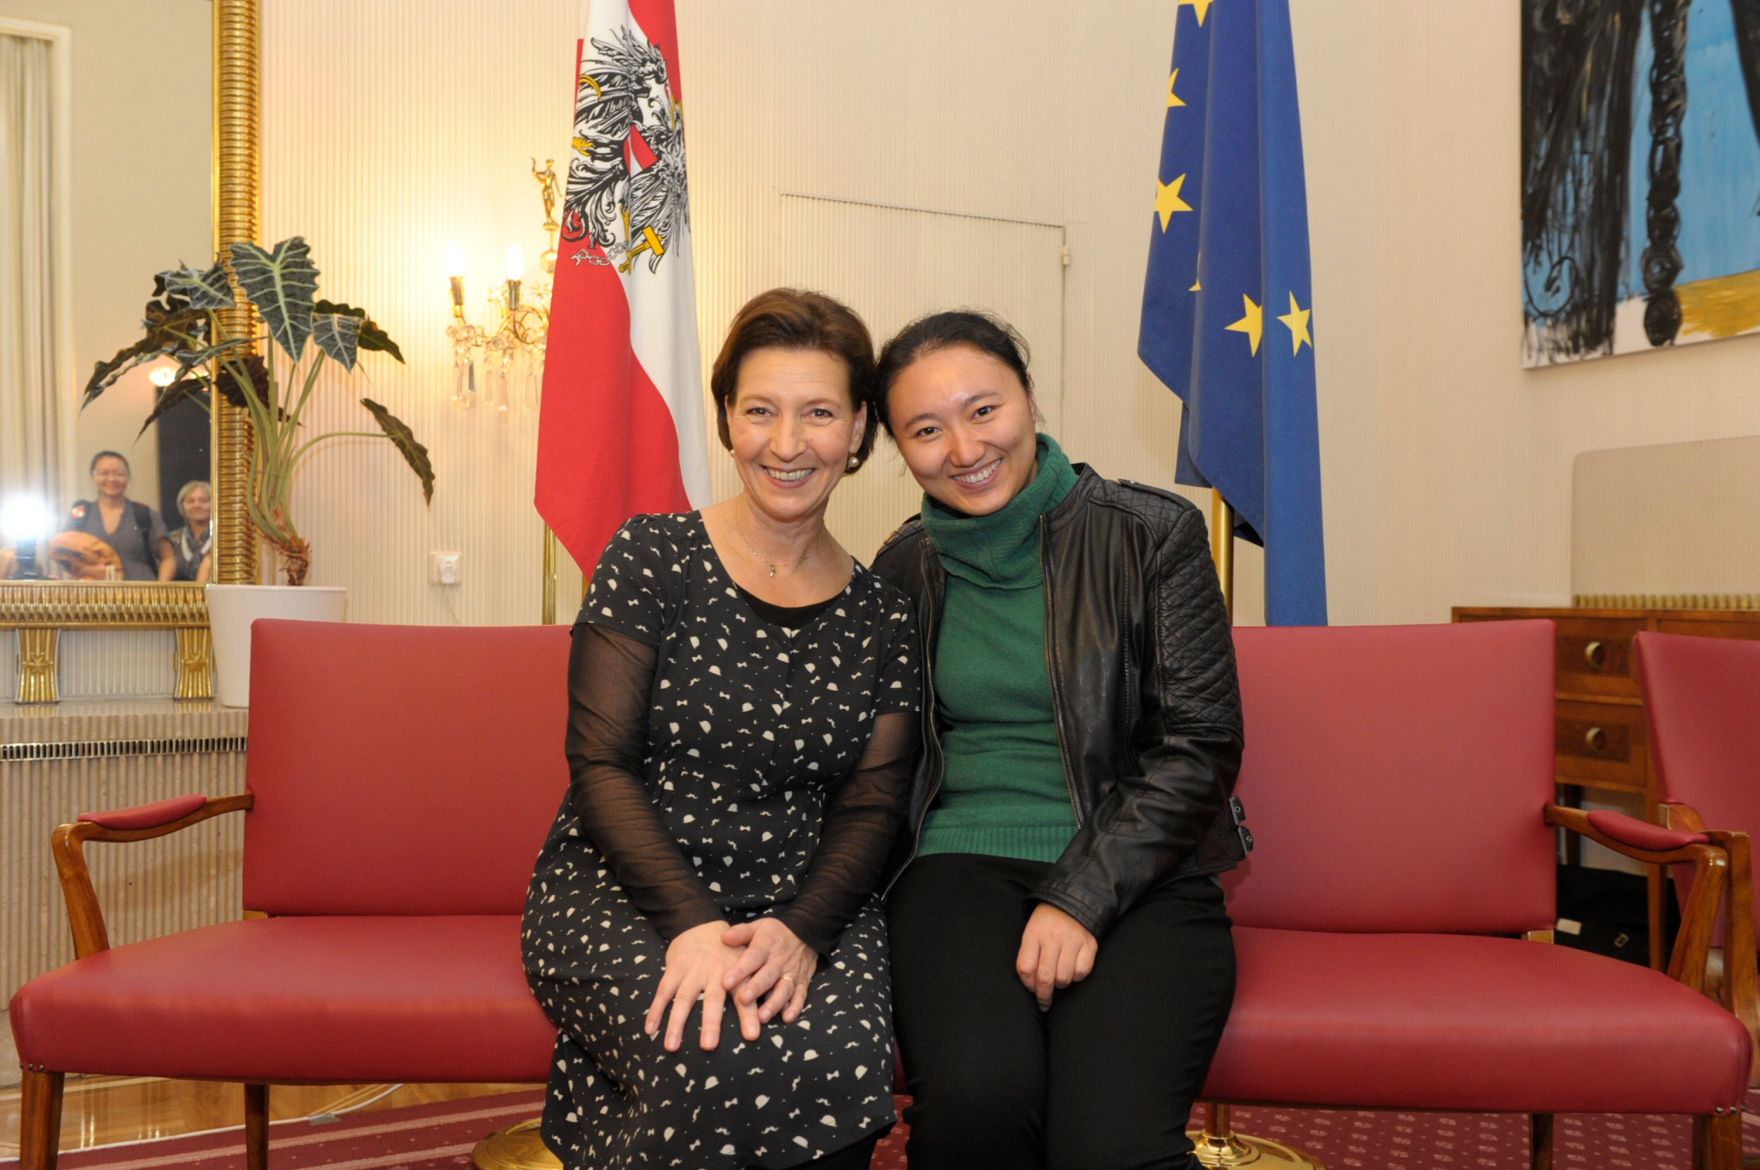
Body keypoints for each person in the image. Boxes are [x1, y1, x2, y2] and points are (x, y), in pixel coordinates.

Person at [522, 289, 922, 1170]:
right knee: (709, 1044)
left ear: (859, 430)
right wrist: (693, 924)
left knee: (836, 1057)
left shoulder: (886, 614)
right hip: (628, 887)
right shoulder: (651, 557)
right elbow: (602, 766)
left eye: (818, 413)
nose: (787, 444)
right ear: (726, 422)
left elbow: (872, 803)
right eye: (760, 412)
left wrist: (802, 930)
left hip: (809, 899)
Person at [870, 311, 1252, 1170]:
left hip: (1144, 870)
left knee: (1107, 1148)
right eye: (925, 430)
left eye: (983, 410)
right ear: (898, 447)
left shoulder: (1153, 534)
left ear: (1030, 398)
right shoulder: (901, 568)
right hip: (954, 868)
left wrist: (1080, 894)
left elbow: (1200, 744)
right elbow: (882, 766)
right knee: (976, 1111)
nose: (963, 448)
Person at [61, 451, 175, 581]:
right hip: (91, 596)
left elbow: (168, 558)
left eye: (119, 474)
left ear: (128, 478)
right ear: (93, 477)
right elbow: (62, 554)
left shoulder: (143, 514)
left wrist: (160, 589)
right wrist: (87, 570)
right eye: (104, 473)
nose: (112, 479)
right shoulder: (81, 514)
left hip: (140, 596)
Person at [167, 480, 214, 582]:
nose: (197, 505)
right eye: (190, 501)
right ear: (182, 506)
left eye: (204, 501)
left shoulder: (223, 539)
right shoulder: (172, 539)